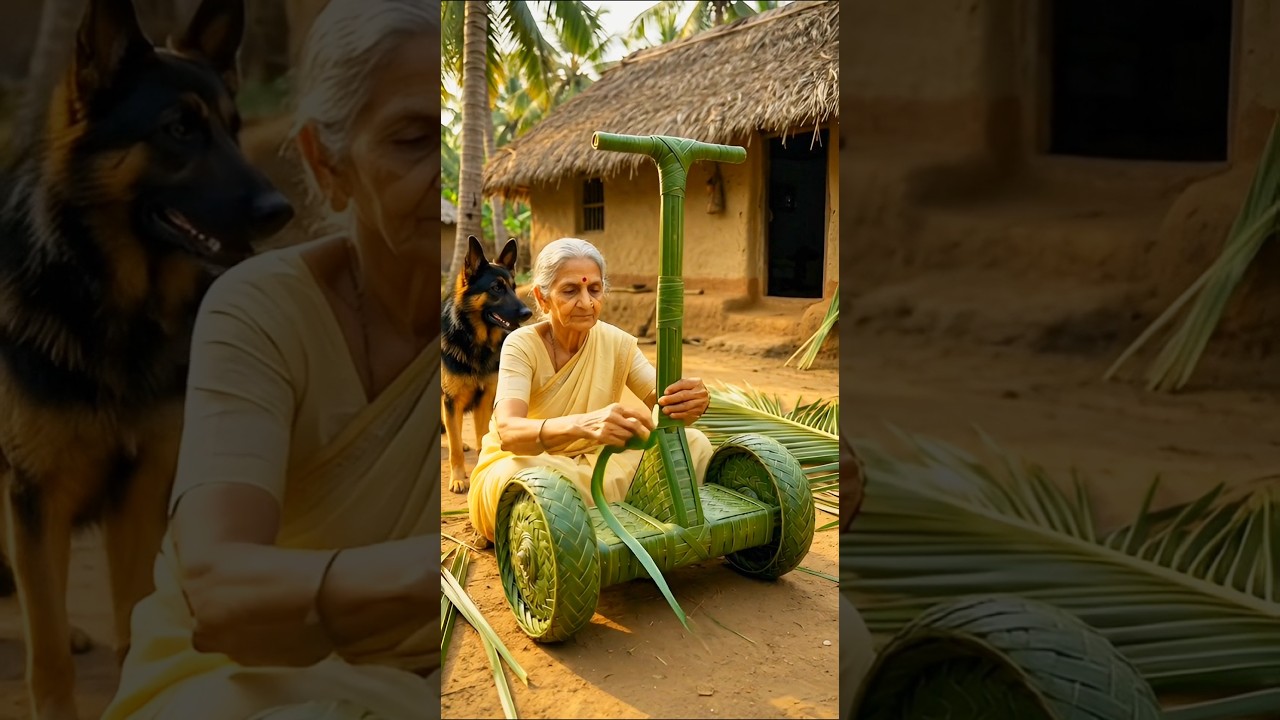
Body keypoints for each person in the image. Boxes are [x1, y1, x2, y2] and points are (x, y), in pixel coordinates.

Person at [100, 1, 439, 718]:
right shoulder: (258, 314)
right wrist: (440, 572)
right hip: (234, 686)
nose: (456, 173)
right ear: (327, 161)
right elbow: (220, 591)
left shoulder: (509, 320)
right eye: (416, 138)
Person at [467, 237, 714, 543]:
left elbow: (663, 402)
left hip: (597, 464)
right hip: (540, 464)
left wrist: (691, 400)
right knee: (520, 480)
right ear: (542, 299)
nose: (586, 302)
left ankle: (595, 519)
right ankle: (623, 509)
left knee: (694, 444)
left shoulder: (617, 342)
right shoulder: (522, 345)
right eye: (571, 290)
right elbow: (509, 432)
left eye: (594, 289)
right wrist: (585, 425)